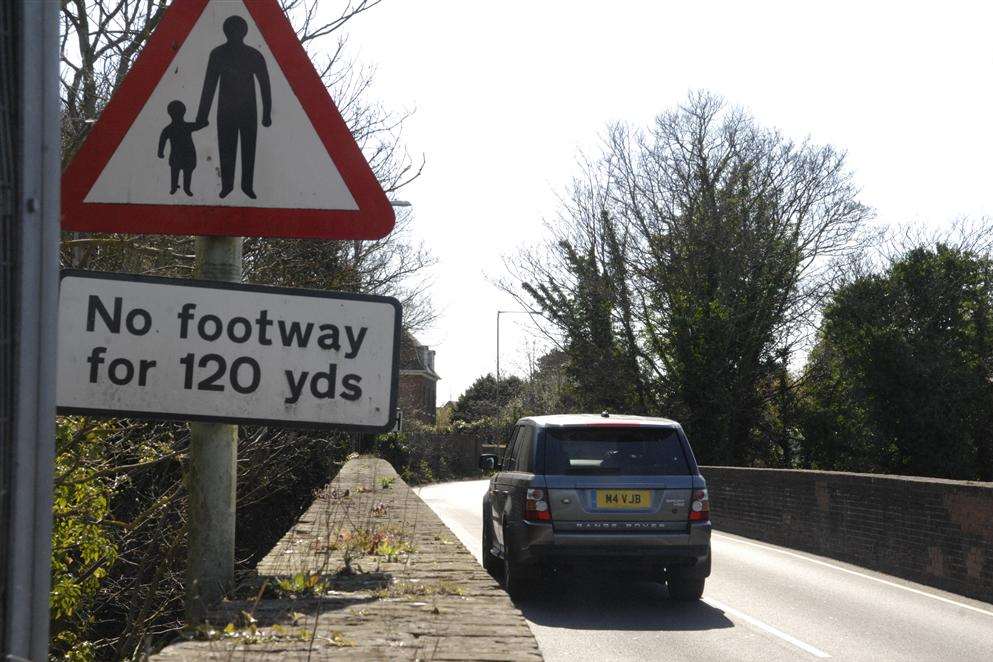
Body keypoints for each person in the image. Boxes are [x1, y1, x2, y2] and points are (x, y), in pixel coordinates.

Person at [195, 15, 272, 199]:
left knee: (249, 148)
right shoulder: (218, 54)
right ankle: (227, 186)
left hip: (248, 111)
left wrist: (266, 113)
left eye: (238, 30)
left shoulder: (254, 55)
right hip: (225, 111)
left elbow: (265, 86)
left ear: (244, 32)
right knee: (226, 149)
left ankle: (247, 186)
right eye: (232, 30)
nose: (235, 34)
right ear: (226, 31)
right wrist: (202, 116)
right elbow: (209, 87)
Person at [157, 100, 197, 196]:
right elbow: (162, 141)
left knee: (183, 172)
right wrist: (160, 152)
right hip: (180, 155)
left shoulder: (170, 128)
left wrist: (160, 152)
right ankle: (176, 188)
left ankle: (184, 188)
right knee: (177, 172)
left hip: (185, 155)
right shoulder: (180, 127)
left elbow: (162, 141)